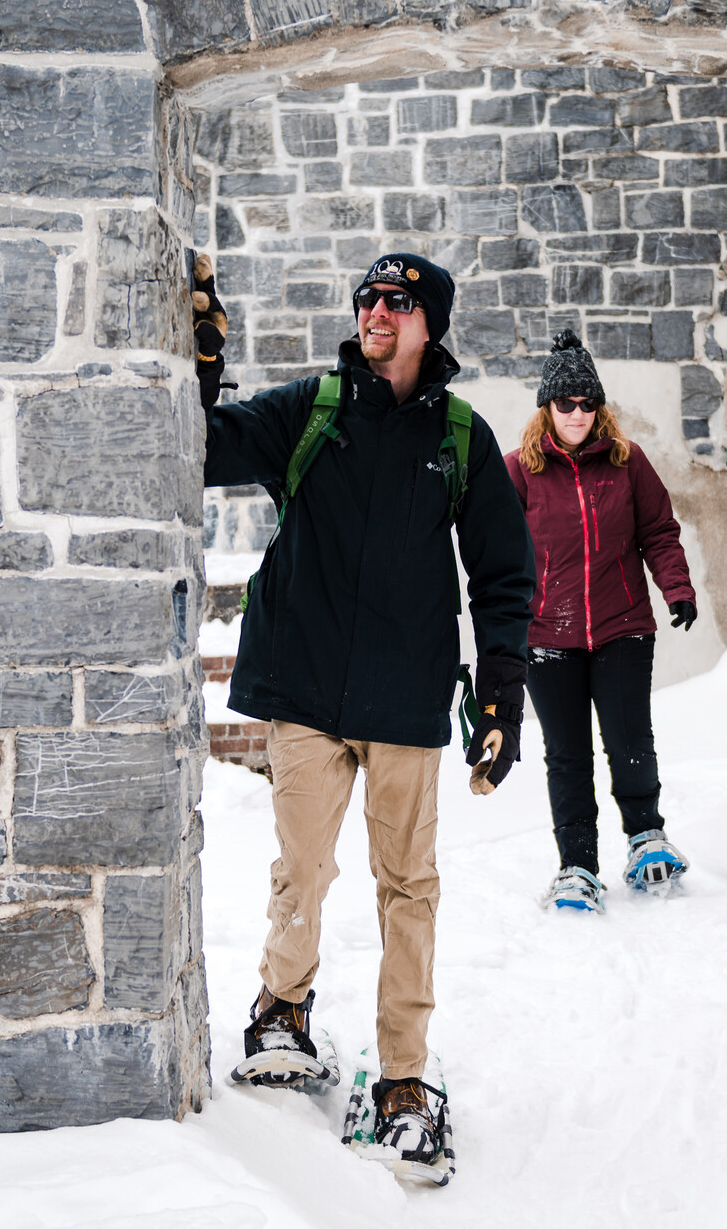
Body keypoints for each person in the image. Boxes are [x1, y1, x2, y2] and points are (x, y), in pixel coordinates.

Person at [193, 250, 535, 1167]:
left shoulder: (460, 437)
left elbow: (505, 573)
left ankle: (404, 1076)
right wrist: (199, 366)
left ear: (430, 321)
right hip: (305, 684)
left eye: (395, 300)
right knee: (301, 865)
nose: (374, 311)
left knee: (408, 889)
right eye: (367, 298)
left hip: (405, 698)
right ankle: (283, 1004)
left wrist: (502, 693)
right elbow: (204, 444)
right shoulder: (311, 410)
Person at [504, 331, 700, 915]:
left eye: (588, 404)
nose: (577, 415)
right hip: (547, 637)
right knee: (567, 755)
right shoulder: (519, 470)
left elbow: (658, 531)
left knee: (629, 739)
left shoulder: (627, 461)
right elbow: (500, 554)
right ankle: (577, 866)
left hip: (621, 627)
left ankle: (646, 839)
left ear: (600, 408)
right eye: (566, 404)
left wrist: (677, 589)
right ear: (547, 406)